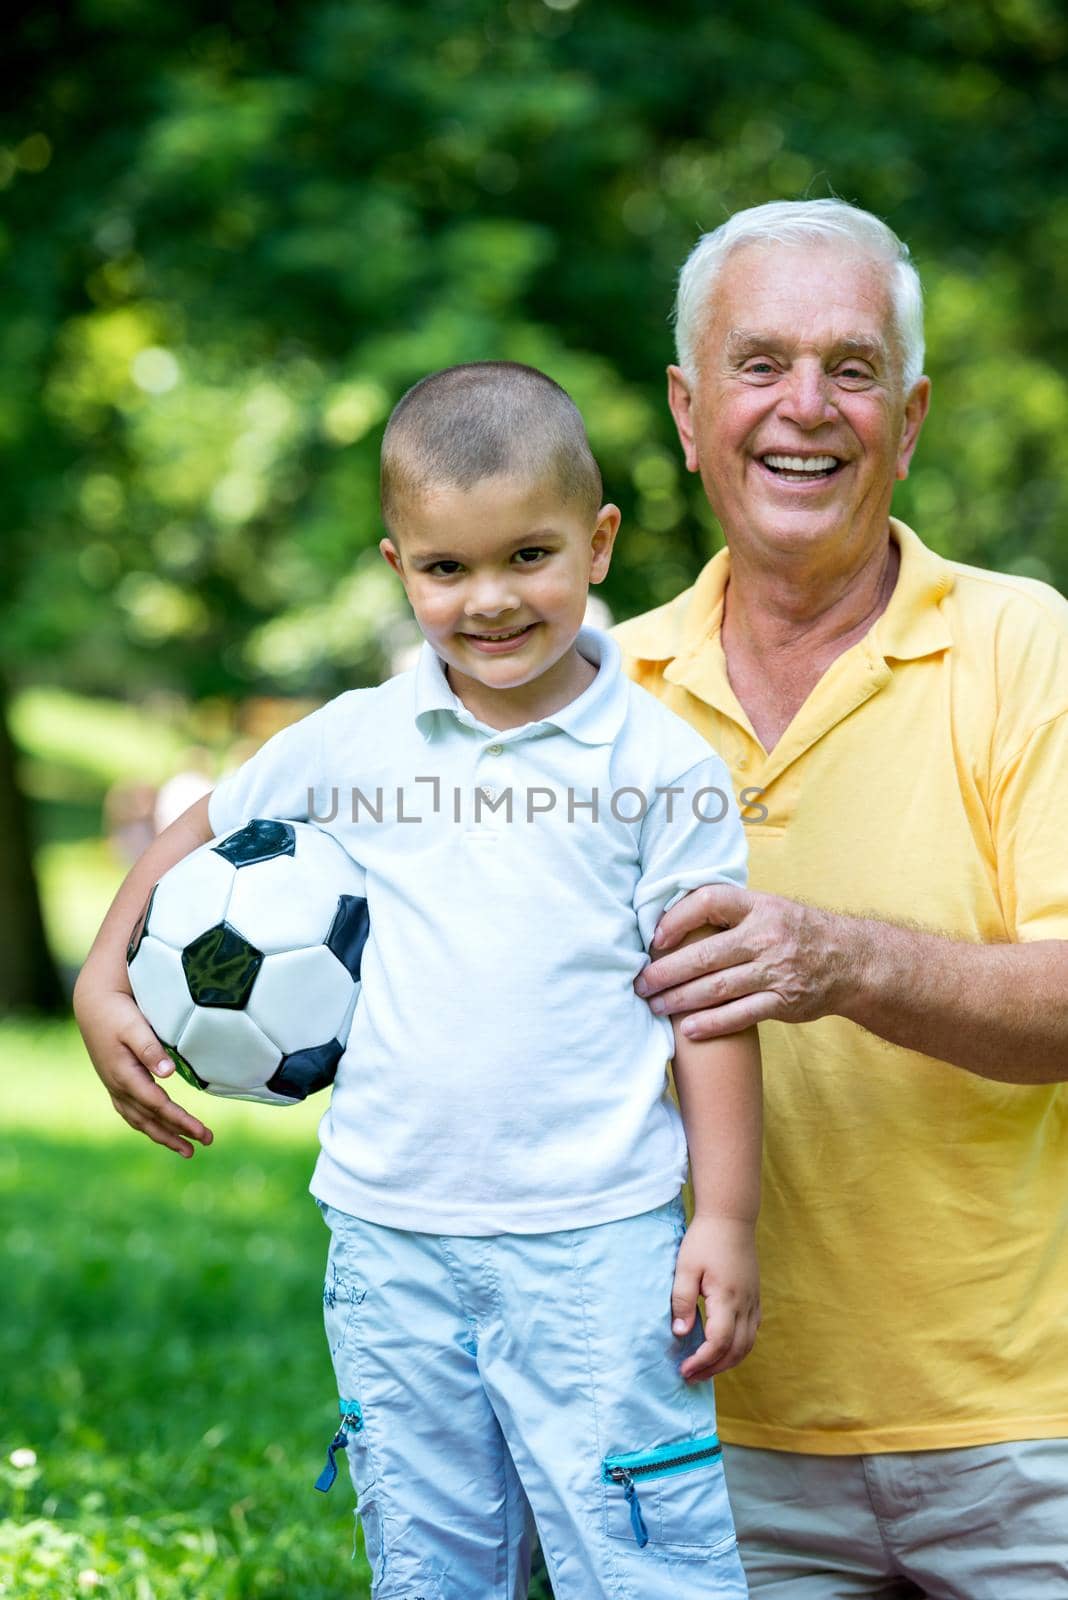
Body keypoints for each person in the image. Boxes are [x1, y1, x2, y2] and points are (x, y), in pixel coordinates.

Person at [74, 361, 762, 1599]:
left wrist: (724, 1216)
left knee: (647, 1560)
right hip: (392, 1237)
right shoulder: (352, 740)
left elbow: (709, 1007)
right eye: (447, 569)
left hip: (597, 1244)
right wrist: (100, 977)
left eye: (528, 557)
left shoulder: (664, 769)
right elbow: (197, 835)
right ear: (398, 567)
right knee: (431, 1564)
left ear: (599, 544)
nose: (490, 600)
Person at [613, 199, 1068, 1598]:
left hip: (1026, 1436)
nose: (803, 406)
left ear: (910, 415)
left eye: (852, 368)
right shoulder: (592, 700)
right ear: (690, 412)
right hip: (698, 1431)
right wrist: (108, 963)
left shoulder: (1024, 645)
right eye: (759, 364)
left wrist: (839, 960)